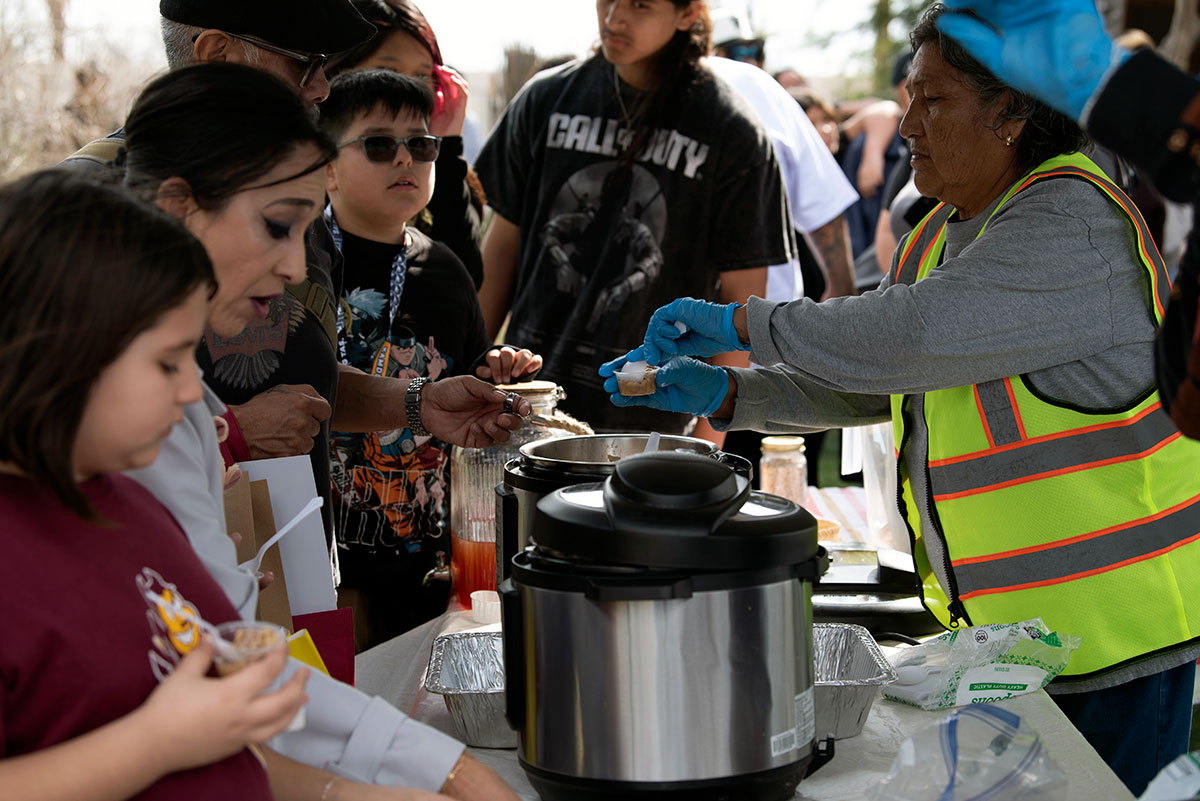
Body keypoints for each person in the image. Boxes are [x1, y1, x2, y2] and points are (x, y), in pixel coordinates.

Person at [603, 5, 1200, 794]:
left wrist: (744, 322)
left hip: (1114, 651)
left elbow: (905, 336)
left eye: (936, 99)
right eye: (909, 95)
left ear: (1014, 110)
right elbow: (884, 379)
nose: (908, 120)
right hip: (1017, 649)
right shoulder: (945, 230)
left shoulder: (1070, 218)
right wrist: (735, 391)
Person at [120, 63, 523, 800]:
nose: (291, 264)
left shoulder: (177, 407)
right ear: (177, 207)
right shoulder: (123, 411)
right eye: (278, 226)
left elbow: (238, 654)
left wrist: (449, 772)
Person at [0, 168, 454, 801]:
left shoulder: (131, 504)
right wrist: (154, 742)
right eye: (166, 363)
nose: (194, 393)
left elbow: (238, 722)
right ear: (54, 354)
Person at [474, 0, 791, 444]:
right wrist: (469, 375)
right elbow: (501, 250)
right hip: (529, 409)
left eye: (641, 4)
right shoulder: (545, 99)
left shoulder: (731, 130)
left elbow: (740, 310)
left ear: (687, 14)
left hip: (653, 425)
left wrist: (702, 451)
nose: (614, 17)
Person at [319, 68, 542, 647]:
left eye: (420, 145)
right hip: (321, 565)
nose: (405, 160)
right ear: (326, 166)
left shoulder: (444, 270)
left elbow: (464, 378)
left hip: (424, 562)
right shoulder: (299, 261)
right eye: (378, 144)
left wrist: (496, 371)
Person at [933, 0, 1200, 442]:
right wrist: (1125, 93)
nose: (909, 125)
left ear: (1007, 117)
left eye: (934, 98)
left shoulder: (1067, 207)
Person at [326, 0, 487, 291]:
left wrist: (447, 146)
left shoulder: (443, 170)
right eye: (389, 72)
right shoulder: (295, 175)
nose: (408, 89)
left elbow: (465, 283)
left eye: (422, 76)